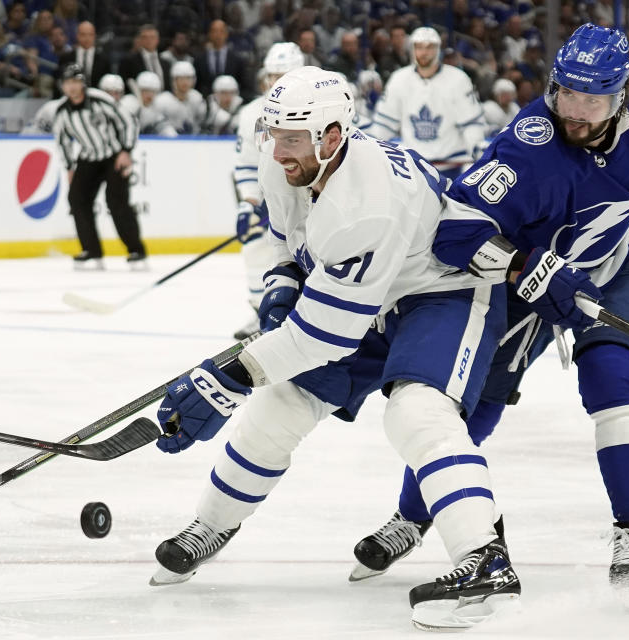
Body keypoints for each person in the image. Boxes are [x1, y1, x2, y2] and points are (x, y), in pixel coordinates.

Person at [149, 66, 520, 631]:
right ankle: (212, 524)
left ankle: (485, 560)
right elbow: (284, 237)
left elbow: (325, 336)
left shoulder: (364, 204)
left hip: (441, 292)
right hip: (369, 294)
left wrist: (226, 377)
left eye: (292, 138)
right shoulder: (292, 162)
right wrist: (281, 284)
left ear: (332, 136)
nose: (278, 151)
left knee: (417, 412)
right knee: (281, 405)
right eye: (273, 135)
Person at [349, 23, 629, 608]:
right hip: (528, 284)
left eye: (591, 101)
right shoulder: (527, 148)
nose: (574, 112)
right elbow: (457, 232)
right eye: (565, 94)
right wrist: (526, 265)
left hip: (613, 268)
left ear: (621, 96)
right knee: (471, 403)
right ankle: (413, 516)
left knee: (614, 382)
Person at [231, 42, 304, 340]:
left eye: (284, 75)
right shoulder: (251, 114)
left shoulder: (318, 107)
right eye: (273, 75)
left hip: (311, 200)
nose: (276, 82)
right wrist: (249, 203)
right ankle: (262, 311)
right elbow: (247, 165)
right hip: (272, 202)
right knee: (255, 246)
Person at [52, 63, 146, 269]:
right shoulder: (61, 111)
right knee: (77, 199)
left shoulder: (99, 99)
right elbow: (62, 141)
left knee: (117, 202)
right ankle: (91, 250)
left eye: (76, 82)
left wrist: (125, 151)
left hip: (113, 156)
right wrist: (70, 167)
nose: (72, 87)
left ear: (83, 83)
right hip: (88, 158)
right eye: (68, 83)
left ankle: (136, 250)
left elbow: (128, 122)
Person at [365, 26, 486, 181]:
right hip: (414, 168)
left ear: (438, 49)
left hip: (451, 166)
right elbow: (384, 125)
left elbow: (471, 123)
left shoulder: (458, 79)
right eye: (419, 47)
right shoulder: (398, 79)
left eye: (430, 47)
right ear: (412, 49)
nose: (424, 52)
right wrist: (370, 152)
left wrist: (477, 149)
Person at [153, 60, 206, 135]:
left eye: (188, 78)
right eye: (181, 78)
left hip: (193, 141)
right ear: (174, 80)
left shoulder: (197, 98)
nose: (185, 82)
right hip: (168, 142)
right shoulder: (162, 100)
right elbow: (157, 125)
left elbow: (202, 124)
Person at [120, 71, 177, 137]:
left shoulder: (158, 106)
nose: (149, 95)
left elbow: (167, 130)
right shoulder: (129, 103)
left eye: (152, 91)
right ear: (139, 90)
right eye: (145, 90)